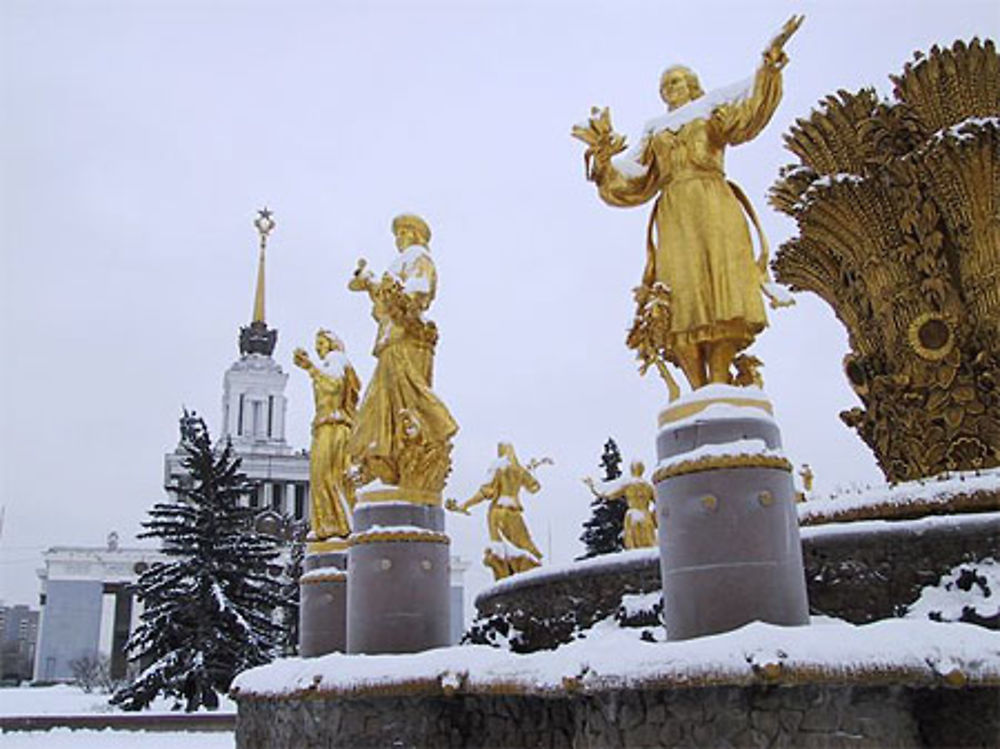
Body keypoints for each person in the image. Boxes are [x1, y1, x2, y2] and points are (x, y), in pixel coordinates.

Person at [575, 16, 802, 393]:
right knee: (680, 294)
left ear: (692, 85)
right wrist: (602, 160)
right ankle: (698, 388)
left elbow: (751, 112)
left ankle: (718, 379)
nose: (669, 88)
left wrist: (770, 62)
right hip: (675, 213)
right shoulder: (654, 130)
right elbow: (632, 179)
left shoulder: (711, 110)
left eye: (676, 81)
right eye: (664, 84)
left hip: (714, 203)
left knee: (722, 289)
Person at [347, 214, 458, 493]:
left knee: (408, 399)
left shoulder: (419, 257)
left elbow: (416, 296)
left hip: (406, 340)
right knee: (381, 406)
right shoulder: (402, 262)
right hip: (390, 340)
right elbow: (389, 302)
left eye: (403, 233)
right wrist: (372, 284)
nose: (398, 238)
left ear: (415, 234)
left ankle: (436, 430)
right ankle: (386, 462)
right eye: (397, 234)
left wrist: (387, 289)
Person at [293, 330, 360, 540]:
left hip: (334, 427)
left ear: (331, 345)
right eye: (317, 344)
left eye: (321, 343)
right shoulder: (328, 364)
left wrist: (310, 367)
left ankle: (337, 527)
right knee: (323, 476)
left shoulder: (336, 359)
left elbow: (334, 385)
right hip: (325, 427)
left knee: (328, 475)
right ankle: (329, 525)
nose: (318, 348)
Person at [448, 443, 550, 580]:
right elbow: (535, 488)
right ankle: (525, 575)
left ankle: (507, 579)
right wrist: (531, 470)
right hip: (514, 512)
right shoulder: (519, 470)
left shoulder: (498, 467)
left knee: (499, 549)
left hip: (498, 512)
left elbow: (485, 492)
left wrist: (465, 505)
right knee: (525, 546)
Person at [585, 460, 658, 549]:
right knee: (648, 543)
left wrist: (592, 486)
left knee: (634, 546)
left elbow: (608, 495)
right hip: (646, 516)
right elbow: (660, 503)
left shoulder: (628, 485)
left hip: (632, 516)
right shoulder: (648, 486)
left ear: (632, 470)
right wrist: (655, 517)